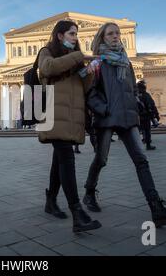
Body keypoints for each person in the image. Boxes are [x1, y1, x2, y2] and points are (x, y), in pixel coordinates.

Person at [84, 22, 166, 228]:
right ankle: (88, 192)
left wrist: (134, 109)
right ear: (102, 38)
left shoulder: (126, 62)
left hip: (128, 118)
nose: (115, 36)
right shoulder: (97, 64)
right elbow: (89, 94)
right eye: (110, 33)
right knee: (101, 159)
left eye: (117, 33)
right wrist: (103, 109)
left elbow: (132, 89)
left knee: (141, 160)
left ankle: (156, 208)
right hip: (107, 119)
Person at [37, 20, 101, 232]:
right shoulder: (47, 52)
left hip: (71, 116)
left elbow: (82, 87)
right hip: (54, 115)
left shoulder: (75, 60)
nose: (75, 37)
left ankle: (51, 201)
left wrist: (90, 72)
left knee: (60, 160)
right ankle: (77, 212)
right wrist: (79, 56)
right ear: (59, 35)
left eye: (76, 34)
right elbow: (48, 68)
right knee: (67, 159)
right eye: (72, 34)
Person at [137, 80, 159, 150]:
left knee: (136, 131)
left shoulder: (134, 96)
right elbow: (152, 106)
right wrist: (155, 116)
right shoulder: (146, 95)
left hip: (136, 117)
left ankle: (136, 146)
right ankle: (148, 145)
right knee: (147, 130)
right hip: (146, 116)